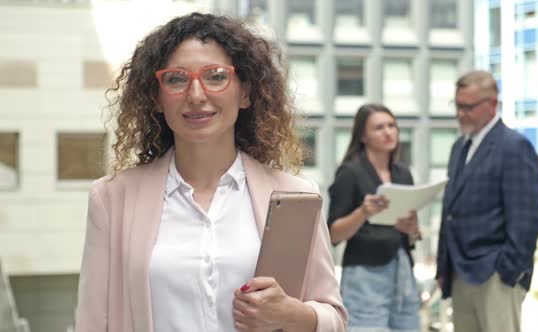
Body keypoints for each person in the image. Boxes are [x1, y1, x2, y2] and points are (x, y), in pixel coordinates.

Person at [75, 12, 347, 332]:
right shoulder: (112, 199)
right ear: (157, 98)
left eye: (216, 76)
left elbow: (335, 318)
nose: (196, 95)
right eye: (176, 78)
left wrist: (295, 315)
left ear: (245, 93)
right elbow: (93, 321)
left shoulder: (297, 196)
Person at [435, 70, 538, 332]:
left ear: (492, 103)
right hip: (460, 273)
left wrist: (507, 272)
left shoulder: (514, 147)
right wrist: (443, 266)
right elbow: (450, 210)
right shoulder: (459, 147)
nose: (460, 113)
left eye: (468, 107)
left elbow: (526, 219)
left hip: (496, 276)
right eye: (457, 105)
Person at [327, 104, 421, 332]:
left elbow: (412, 233)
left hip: (403, 271)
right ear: (363, 136)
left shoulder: (402, 172)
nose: (388, 132)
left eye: (392, 126)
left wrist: (413, 230)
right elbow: (332, 233)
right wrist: (363, 212)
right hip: (365, 275)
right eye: (379, 128)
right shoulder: (350, 173)